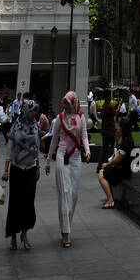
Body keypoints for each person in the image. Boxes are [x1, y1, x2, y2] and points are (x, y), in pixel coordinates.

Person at [45, 90, 91, 248]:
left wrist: (88, 150)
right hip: (62, 155)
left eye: (67, 103)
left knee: (74, 194)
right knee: (65, 192)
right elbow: (53, 140)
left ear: (73, 103)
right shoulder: (59, 119)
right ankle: (66, 232)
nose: (64, 105)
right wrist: (48, 160)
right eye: (64, 102)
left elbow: (84, 135)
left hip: (76, 157)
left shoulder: (81, 117)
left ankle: (66, 225)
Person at [2, 97, 41, 250]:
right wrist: (5, 170)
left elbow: (37, 148)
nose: (34, 113)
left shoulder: (35, 126)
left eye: (36, 110)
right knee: (15, 202)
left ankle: (24, 234)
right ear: (26, 110)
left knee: (28, 202)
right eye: (32, 110)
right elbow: (9, 150)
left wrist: (38, 166)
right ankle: (13, 235)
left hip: (30, 168)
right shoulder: (16, 127)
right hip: (17, 168)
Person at [98, 118, 134, 207]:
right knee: (105, 170)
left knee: (101, 174)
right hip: (122, 168)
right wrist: (117, 140)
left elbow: (117, 159)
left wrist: (107, 164)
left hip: (123, 171)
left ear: (123, 129)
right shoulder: (126, 140)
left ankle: (110, 200)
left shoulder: (126, 142)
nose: (118, 129)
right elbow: (116, 154)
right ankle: (111, 198)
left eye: (119, 127)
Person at [100, 89, 117, 164]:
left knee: (105, 148)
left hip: (105, 130)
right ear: (107, 97)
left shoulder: (104, 106)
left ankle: (101, 165)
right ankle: (111, 163)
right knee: (113, 148)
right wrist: (119, 104)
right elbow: (116, 113)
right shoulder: (108, 107)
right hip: (110, 130)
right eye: (110, 96)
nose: (111, 98)